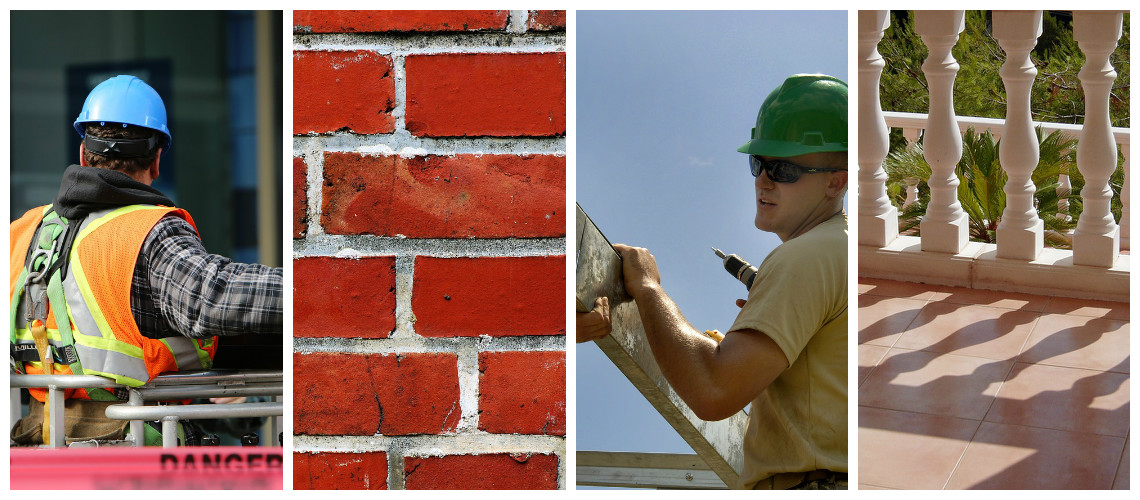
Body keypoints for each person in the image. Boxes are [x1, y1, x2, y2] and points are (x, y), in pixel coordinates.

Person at [580, 74, 848, 489]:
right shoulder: (845, 248)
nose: (764, 180)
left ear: (836, 180)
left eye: (784, 168)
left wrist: (649, 289)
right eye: (758, 163)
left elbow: (713, 389)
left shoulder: (804, 257)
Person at [10, 75, 283, 446]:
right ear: (156, 161)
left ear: (82, 154)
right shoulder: (149, 232)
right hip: (133, 453)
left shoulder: (22, 232)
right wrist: (318, 282)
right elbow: (212, 298)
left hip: (37, 454)